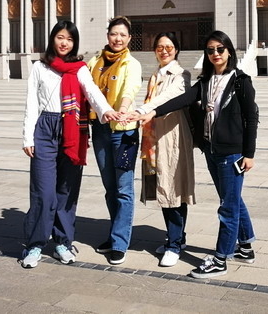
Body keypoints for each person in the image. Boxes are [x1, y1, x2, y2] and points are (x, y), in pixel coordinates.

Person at [138, 30, 259, 279]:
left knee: (228, 206)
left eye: (220, 49)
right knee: (232, 199)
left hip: (232, 153)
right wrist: (153, 112)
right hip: (212, 151)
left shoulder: (240, 81)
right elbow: (182, 99)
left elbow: (251, 118)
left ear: (229, 52)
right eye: (210, 50)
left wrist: (249, 154)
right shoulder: (205, 81)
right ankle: (245, 246)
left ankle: (221, 259)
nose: (215, 54)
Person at [19, 20, 119, 269]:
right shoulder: (40, 67)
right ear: (52, 39)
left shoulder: (79, 68)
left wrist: (105, 110)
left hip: (72, 129)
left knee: (67, 190)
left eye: (70, 39)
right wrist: (28, 137)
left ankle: (63, 242)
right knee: (43, 192)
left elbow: (92, 91)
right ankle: (35, 244)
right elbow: (32, 102)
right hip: (45, 128)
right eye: (60, 37)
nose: (64, 43)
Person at [133, 32, 195, 268]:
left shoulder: (181, 75)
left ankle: (174, 245)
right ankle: (175, 237)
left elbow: (170, 98)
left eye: (169, 47)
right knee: (163, 188)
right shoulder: (155, 75)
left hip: (173, 139)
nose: (164, 51)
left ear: (176, 49)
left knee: (174, 190)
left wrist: (143, 110)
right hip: (155, 139)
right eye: (160, 47)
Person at [88, 16, 142, 265]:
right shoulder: (94, 62)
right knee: (110, 187)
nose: (117, 39)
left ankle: (120, 242)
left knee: (123, 188)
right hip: (100, 130)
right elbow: (88, 91)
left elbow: (130, 88)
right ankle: (114, 235)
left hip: (124, 132)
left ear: (129, 38)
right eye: (113, 34)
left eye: (122, 35)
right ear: (107, 35)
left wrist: (122, 109)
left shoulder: (132, 64)